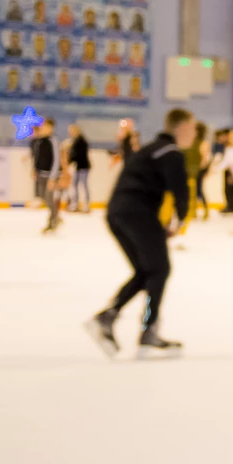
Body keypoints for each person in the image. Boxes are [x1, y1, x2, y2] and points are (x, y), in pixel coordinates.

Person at [86, 109, 195, 357]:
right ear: (181, 128)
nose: (194, 134)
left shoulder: (150, 149)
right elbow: (181, 192)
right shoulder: (171, 152)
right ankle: (148, 330)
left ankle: (108, 317)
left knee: (147, 270)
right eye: (192, 128)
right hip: (138, 213)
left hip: (117, 212)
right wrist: (178, 222)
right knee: (160, 269)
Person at [30, 117, 62, 234]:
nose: (43, 128)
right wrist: (34, 169)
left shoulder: (53, 141)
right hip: (41, 174)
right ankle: (56, 217)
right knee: (44, 197)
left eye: (45, 126)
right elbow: (37, 156)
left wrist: (53, 177)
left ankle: (53, 221)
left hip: (50, 175)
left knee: (49, 198)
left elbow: (56, 159)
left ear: (50, 128)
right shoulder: (39, 141)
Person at [67, 123, 92, 213]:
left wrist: (70, 159)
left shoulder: (81, 141)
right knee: (75, 185)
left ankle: (86, 204)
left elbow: (78, 155)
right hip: (78, 167)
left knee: (84, 185)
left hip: (83, 167)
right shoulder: (75, 141)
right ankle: (75, 204)